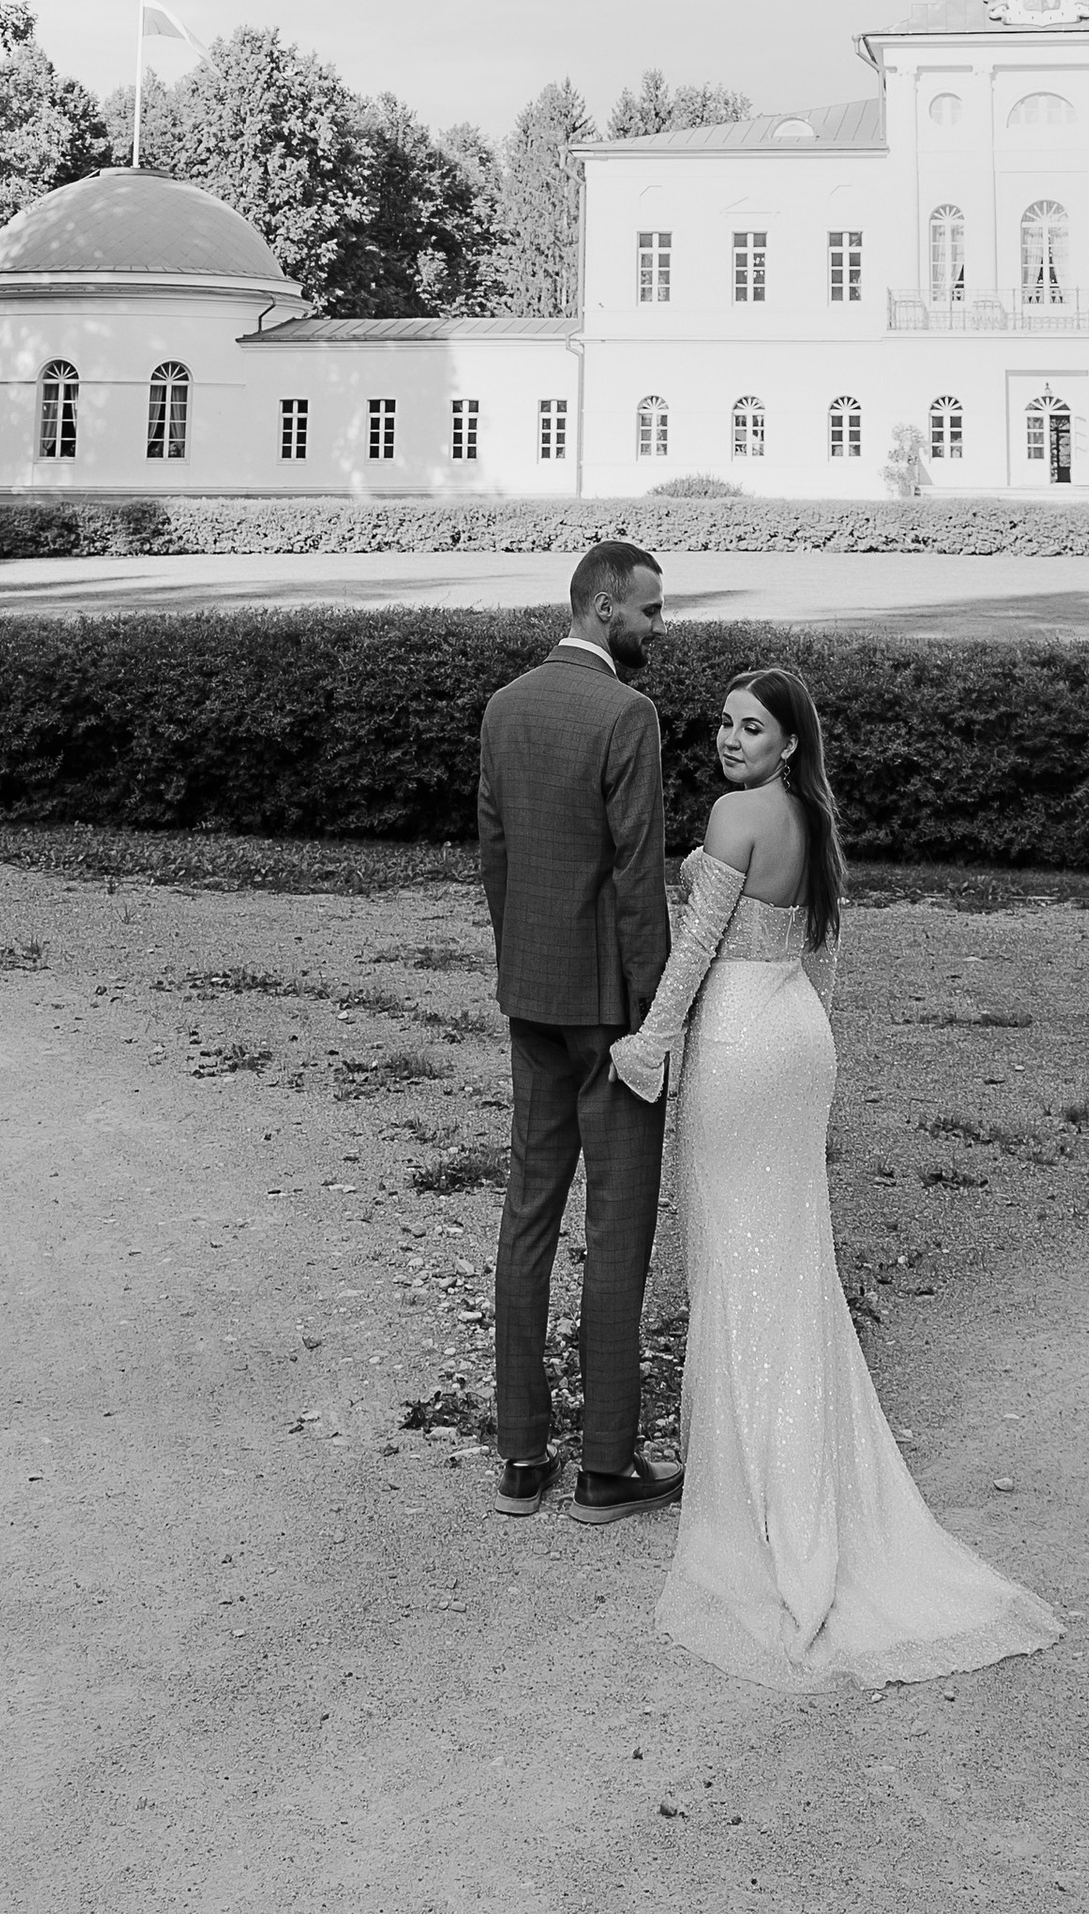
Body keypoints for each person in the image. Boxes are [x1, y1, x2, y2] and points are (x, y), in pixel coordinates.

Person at [610, 665, 1062, 1688]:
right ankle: (802, 1458)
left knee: (737, 1253)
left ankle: (761, 1488)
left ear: (788, 743)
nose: (730, 740)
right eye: (725, 725)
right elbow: (821, 954)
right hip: (797, 1035)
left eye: (752, 728)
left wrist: (648, 1045)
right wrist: (814, 1039)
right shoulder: (814, 820)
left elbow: (694, 952)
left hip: (739, 1038)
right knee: (790, 1255)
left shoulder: (736, 816)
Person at [476, 538, 683, 1522]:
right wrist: (659, 1015)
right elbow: (639, 878)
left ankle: (521, 1456)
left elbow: (495, 854)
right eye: (650, 609)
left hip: (534, 996)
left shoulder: (505, 707)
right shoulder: (626, 715)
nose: (658, 626)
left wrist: (522, 962)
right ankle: (605, 1465)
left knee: (528, 1212)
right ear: (605, 606)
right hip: (611, 1012)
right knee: (616, 1225)